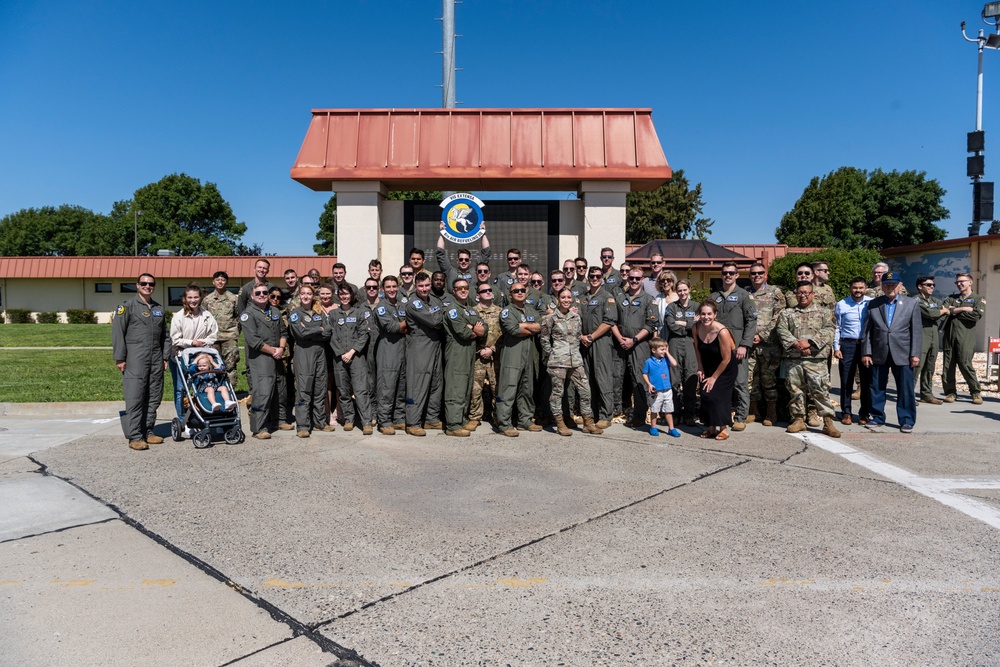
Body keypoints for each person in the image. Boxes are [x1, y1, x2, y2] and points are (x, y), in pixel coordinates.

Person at [112, 273, 171, 451]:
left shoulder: (158, 308)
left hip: (155, 357)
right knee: (135, 396)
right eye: (144, 283)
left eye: (151, 284)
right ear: (137, 285)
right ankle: (135, 436)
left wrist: (165, 356)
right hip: (135, 357)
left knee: (154, 395)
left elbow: (165, 335)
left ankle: (148, 431)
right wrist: (120, 357)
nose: (147, 286)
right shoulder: (127, 307)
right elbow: (117, 333)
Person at [776, 282, 841, 437]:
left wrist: (810, 343)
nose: (803, 295)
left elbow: (829, 330)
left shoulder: (824, 312)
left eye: (806, 292)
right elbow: (781, 330)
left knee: (820, 390)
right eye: (799, 292)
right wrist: (796, 343)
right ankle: (798, 419)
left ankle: (828, 422)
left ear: (813, 294)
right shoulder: (787, 313)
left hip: (815, 359)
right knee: (795, 390)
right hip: (794, 358)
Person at [861, 271, 921, 433]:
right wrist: (866, 352)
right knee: (877, 387)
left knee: (905, 389)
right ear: (882, 286)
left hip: (903, 353)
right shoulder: (873, 304)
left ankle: (907, 420)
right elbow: (866, 331)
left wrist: (915, 353)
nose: (890, 288)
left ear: (900, 286)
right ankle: (878, 417)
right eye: (887, 285)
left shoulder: (911, 304)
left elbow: (916, 331)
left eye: (893, 285)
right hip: (878, 352)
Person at [540, 287, 603, 436]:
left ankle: (588, 422)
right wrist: (552, 355)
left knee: (585, 391)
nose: (566, 300)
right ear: (558, 299)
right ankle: (560, 423)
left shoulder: (576, 317)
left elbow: (577, 337)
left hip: (575, 360)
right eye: (563, 297)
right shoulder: (550, 318)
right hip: (558, 361)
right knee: (557, 393)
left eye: (569, 297)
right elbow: (544, 339)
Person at [708, 262, 757, 430]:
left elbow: (751, 321)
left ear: (737, 275)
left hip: (737, 346)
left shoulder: (744, 296)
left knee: (740, 382)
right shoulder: (714, 296)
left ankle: (741, 417)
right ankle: (721, 416)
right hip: (717, 347)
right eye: (725, 273)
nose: (727, 275)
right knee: (720, 382)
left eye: (731, 273)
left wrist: (744, 344)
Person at [240, 282, 287, 439]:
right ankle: (258, 428)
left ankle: (279, 420)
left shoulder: (274, 311)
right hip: (260, 357)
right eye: (258, 293)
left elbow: (283, 332)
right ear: (252, 296)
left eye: (265, 292)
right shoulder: (248, 314)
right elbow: (254, 341)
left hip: (277, 356)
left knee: (279, 390)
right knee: (262, 392)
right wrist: (273, 351)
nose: (262, 295)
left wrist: (281, 348)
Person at [441, 278, 488, 437]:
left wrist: (474, 328)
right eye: (459, 287)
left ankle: (461, 420)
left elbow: (485, 328)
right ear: (453, 290)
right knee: (456, 387)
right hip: (457, 352)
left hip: (469, 351)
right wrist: (474, 329)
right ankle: (453, 425)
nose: (463, 290)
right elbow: (463, 332)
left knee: (466, 387)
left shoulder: (471, 310)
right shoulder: (452, 310)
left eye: (465, 287)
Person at [613, 267, 658, 428]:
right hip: (619, 343)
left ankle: (640, 414)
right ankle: (616, 410)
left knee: (639, 379)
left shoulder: (648, 299)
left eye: (637, 279)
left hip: (639, 345)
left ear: (642, 280)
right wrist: (620, 338)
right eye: (631, 278)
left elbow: (651, 324)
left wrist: (633, 339)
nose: (633, 281)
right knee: (616, 377)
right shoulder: (619, 297)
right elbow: (611, 320)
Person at [496, 282, 542, 436]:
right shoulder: (507, 312)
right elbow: (513, 329)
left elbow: (540, 326)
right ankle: (504, 423)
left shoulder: (531, 310)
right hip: (512, 354)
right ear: (510, 295)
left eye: (522, 290)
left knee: (526, 387)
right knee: (508, 388)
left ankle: (525, 420)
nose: (520, 292)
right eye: (516, 291)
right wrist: (529, 328)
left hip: (528, 354)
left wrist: (524, 326)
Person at [169, 283, 219, 420]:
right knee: (181, 389)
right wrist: (192, 343)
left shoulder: (207, 315)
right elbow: (175, 339)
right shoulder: (179, 316)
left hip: (201, 356)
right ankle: (182, 419)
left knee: (204, 386)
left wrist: (203, 343)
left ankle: (205, 413)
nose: (193, 300)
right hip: (181, 357)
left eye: (196, 297)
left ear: (201, 297)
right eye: (190, 297)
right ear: (185, 298)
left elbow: (213, 334)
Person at [287, 284, 331, 438]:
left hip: (320, 352)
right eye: (303, 293)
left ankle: (319, 423)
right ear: (299, 296)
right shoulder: (295, 313)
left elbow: (328, 331)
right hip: (304, 352)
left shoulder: (319, 312)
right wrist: (318, 329)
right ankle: (303, 426)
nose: (306, 296)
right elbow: (300, 333)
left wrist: (312, 330)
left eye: (309, 294)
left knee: (320, 387)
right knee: (304, 389)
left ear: (313, 296)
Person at [404, 272, 445, 435]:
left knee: (436, 381)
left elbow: (440, 316)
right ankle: (413, 422)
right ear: (415, 286)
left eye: (427, 285)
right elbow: (435, 320)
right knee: (418, 383)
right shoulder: (414, 303)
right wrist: (438, 318)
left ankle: (431, 419)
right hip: (420, 344)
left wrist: (438, 318)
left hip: (435, 343)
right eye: (421, 286)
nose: (424, 289)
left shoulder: (434, 299)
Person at [329, 285, 374, 435]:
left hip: (357, 357)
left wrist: (352, 351)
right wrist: (342, 353)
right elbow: (331, 335)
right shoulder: (334, 314)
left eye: (347, 294)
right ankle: (349, 419)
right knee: (343, 391)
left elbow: (364, 334)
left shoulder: (359, 313)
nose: (344, 297)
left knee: (361, 390)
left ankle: (366, 421)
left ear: (352, 295)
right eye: (341, 294)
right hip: (339, 358)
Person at [692, 301, 738, 440]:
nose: (706, 317)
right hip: (708, 364)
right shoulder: (696, 327)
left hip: (725, 367)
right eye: (703, 314)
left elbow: (726, 359)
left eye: (709, 314)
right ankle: (711, 427)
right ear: (699, 315)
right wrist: (700, 367)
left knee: (717, 396)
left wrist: (713, 377)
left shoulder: (722, 332)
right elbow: (697, 349)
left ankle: (723, 428)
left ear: (715, 315)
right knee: (705, 394)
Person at [579, 266, 618, 428]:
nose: (594, 278)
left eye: (597, 276)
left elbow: (609, 321)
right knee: (588, 379)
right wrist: (581, 336)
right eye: (592, 276)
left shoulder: (607, 297)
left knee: (603, 378)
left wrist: (591, 336)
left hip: (600, 342)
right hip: (584, 342)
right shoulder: (583, 298)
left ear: (602, 278)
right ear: (588, 278)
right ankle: (591, 413)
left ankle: (605, 414)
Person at [746, 262, 784, 426]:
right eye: (753, 273)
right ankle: (754, 411)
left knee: (769, 380)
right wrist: (748, 337)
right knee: (750, 379)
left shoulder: (775, 292)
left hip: (768, 345)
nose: (757, 276)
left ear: (766, 275)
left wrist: (762, 335)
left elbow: (779, 317)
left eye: (760, 273)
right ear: (749, 276)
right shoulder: (745, 294)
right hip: (749, 344)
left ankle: (771, 412)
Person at [942, 273, 987, 404]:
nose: (959, 284)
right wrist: (962, 309)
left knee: (965, 363)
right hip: (949, 336)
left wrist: (953, 312)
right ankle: (950, 393)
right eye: (957, 282)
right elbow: (944, 310)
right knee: (948, 365)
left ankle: (975, 392)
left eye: (962, 281)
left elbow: (975, 316)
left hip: (965, 336)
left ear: (970, 282)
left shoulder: (978, 299)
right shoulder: (952, 298)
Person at [833, 277, 873, 425]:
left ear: (865, 288)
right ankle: (846, 413)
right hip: (847, 345)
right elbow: (837, 327)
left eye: (861, 288)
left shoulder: (871, 303)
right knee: (846, 380)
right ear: (850, 288)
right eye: (855, 288)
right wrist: (836, 347)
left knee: (866, 381)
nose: (858, 291)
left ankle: (864, 413)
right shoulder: (842, 304)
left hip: (866, 346)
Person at [373, 275, 409, 435]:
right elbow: (392, 327)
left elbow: (406, 326)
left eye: (394, 286)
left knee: (401, 385)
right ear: (383, 289)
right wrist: (405, 324)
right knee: (387, 387)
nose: (392, 290)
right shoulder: (381, 307)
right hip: (388, 351)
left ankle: (399, 418)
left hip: (403, 350)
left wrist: (403, 326)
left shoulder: (403, 305)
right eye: (388, 287)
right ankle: (385, 420)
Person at [665, 279, 700, 427]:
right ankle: (675, 414)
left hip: (691, 344)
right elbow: (670, 324)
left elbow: (700, 324)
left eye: (685, 290)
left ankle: (689, 415)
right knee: (674, 380)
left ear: (689, 290)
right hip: (674, 344)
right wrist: (689, 325)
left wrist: (684, 323)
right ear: (676, 291)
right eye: (679, 290)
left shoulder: (697, 306)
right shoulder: (671, 307)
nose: (682, 293)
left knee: (690, 380)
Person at [470, 282, 502, 429]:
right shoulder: (472, 312)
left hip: (495, 357)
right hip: (478, 356)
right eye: (484, 291)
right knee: (475, 388)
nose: (488, 292)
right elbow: (469, 333)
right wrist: (480, 350)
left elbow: (504, 335)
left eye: (490, 290)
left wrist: (493, 349)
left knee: (497, 388)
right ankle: (475, 416)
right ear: (478, 295)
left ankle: (498, 416)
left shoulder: (501, 312)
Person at [202, 271, 240, 388]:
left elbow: (238, 316)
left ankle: (230, 390)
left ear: (227, 282)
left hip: (229, 336)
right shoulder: (207, 299)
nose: (220, 282)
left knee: (230, 365)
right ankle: (215, 390)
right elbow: (203, 317)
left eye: (223, 280)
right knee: (213, 364)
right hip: (213, 338)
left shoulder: (233, 298)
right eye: (217, 279)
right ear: (213, 282)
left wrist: (235, 330)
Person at [915, 276, 949, 404]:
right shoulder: (916, 300)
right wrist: (940, 312)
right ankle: (907, 395)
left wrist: (939, 312)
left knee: (930, 366)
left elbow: (939, 315)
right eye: (928, 285)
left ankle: (926, 394)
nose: (932, 287)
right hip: (922, 335)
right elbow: (931, 314)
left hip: (934, 336)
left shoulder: (934, 300)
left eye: (933, 285)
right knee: (916, 367)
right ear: (920, 286)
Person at [268, 286, 295, 432]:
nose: (275, 299)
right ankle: (268, 418)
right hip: (265, 353)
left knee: (282, 387)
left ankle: (282, 418)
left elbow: (287, 332)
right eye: (272, 296)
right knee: (267, 386)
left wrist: (282, 348)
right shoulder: (261, 312)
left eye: (278, 297)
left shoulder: (285, 312)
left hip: (282, 354)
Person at [436, 222, 491, 292]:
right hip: (454, 301)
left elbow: (486, 253)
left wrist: (483, 232)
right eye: (461, 259)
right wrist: (442, 233)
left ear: (470, 261)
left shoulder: (476, 271)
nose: (464, 261)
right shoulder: (450, 271)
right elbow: (440, 254)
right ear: (457, 261)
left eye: (466, 260)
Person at [642, 337, 681, 437]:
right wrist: (649, 384)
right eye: (662, 349)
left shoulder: (665, 360)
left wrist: (667, 353)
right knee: (654, 410)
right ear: (653, 350)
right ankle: (653, 427)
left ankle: (671, 428)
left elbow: (674, 363)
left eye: (665, 349)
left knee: (668, 410)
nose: (664, 351)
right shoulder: (649, 362)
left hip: (667, 389)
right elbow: (644, 373)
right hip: (656, 391)